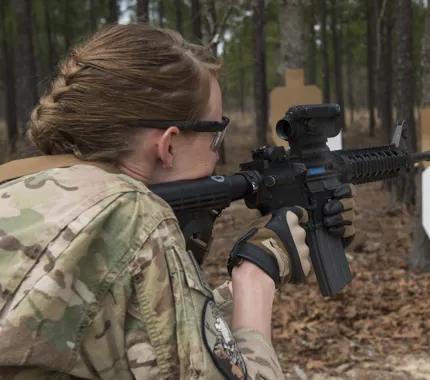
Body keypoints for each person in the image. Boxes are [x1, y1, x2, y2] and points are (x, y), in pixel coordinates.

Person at [0, 24, 357, 380]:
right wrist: (256, 276)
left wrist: (237, 290)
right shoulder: (135, 216)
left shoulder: (16, 188)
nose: (216, 157)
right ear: (168, 145)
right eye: (215, 136)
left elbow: (140, 340)